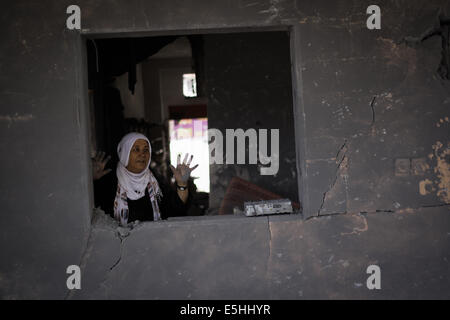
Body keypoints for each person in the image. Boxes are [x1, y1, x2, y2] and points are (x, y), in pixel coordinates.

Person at [92, 132, 198, 225]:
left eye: (146, 150)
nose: (142, 154)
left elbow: (175, 210)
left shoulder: (155, 183)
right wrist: (92, 181)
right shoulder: (107, 182)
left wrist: (182, 183)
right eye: (136, 149)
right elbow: (90, 214)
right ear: (125, 152)